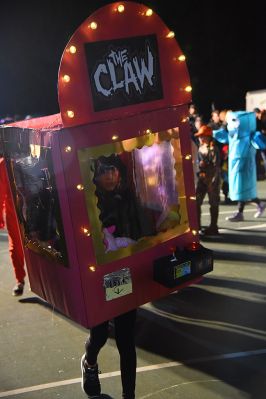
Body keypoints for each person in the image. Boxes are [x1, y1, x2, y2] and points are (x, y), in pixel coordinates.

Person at [81, 154, 140, 399]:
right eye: (105, 170)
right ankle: (90, 362)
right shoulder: (88, 199)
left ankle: (129, 395)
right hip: (98, 275)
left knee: (126, 339)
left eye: (114, 170)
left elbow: (139, 229)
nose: (111, 175)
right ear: (95, 174)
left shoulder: (129, 197)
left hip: (122, 272)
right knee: (100, 334)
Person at [213, 111, 266, 221]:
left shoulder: (250, 135)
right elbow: (219, 135)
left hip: (246, 166)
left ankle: (240, 212)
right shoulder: (233, 135)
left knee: (243, 188)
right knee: (240, 189)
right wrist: (222, 126)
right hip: (235, 165)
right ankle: (257, 204)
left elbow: (261, 143)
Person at [0, 157, 26, 296]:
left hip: (32, 208)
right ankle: (20, 280)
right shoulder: (4, 164)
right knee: (16, 246)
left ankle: (22, 280)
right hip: (14, 212)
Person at [195, 125, 221, 235]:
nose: (200, 138)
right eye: (199, 136)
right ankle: (197, 226)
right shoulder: (200, 147)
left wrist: (213, 181)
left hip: (212, 179)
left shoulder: (214, 148)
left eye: (202, 136)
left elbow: (217, 166)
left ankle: (213, 226)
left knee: (213, 203)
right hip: (202, 178)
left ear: (208, 136)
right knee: (196, 201)